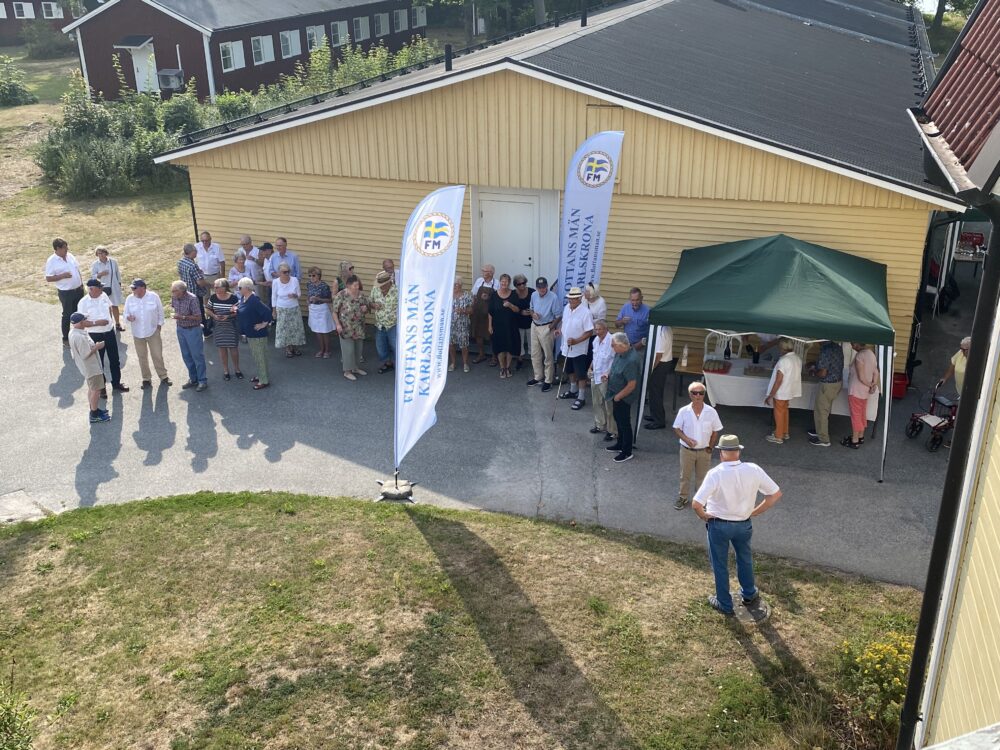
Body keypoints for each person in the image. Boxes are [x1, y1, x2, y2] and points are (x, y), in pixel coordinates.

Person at [692, 434, 782, 616]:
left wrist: (704, 516)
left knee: (720, 564)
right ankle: (749, 593)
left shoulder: (715, 473)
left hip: (719, 525)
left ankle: (724, 603)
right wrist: (754, 511)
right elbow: (775, 494)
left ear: (721, 453)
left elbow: (696, 504)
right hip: (743, 524)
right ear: (738, 452)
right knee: (745, 558)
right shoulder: (753, 469)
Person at [672, 381, 723, 509]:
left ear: (704, 394)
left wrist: (710, 447)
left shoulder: (711, 412)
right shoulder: (684, 411)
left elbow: (716, 431)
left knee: (703, 477)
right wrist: (686, 439)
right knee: (685, 476)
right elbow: (677, 428)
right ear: (690, 394)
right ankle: (683, 497)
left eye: (701, 393)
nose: (698, 396)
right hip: (686, 450)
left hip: (704, 451)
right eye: (695, 393)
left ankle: (700, 500)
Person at [77, 278, 128, 396]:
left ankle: (116, 384)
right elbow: (82, 323)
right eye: (100, 287)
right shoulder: (83, 303)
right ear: (91, 289)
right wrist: (97, 323)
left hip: (109, 332)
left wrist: (110, 322)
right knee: (99, 363)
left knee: (115, 359)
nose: (102, 289)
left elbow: (110, 307)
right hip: (95, 335)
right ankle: (102, 388)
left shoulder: (103, 295)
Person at [123, 279, 171, 389]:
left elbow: (160, 312)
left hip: (153, 331)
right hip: (137, 333)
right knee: (142, 357)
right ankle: (146, 379)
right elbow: (125, 314)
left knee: (157, 355)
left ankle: (163, 376)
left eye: (134, 288)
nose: (133, 290)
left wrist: (159, 325)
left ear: (143, 288)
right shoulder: (130, 298)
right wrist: (128, 317)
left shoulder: (153, 296)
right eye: (132, 288)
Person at [605, 332, 641, 463]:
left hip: (623, 396)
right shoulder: (619, 353)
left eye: (613, 345)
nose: (611, 347)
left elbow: (632, 385)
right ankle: (620, 444)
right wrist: (607, 374)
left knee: (624, 422)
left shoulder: (631, 360)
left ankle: (627, 451)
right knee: (618, 419)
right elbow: (614, 367)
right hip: (615, 393)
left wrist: (618, 397)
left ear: (622, 345)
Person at [68, 312, 110, 423]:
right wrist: (97, 346)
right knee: (96, 390)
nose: (87, 321)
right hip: (91, 368)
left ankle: (93, 409)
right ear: (81, 322)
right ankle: (94, 415)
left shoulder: (73, 332)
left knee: (92, 389)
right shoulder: (79, 337)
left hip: (87, 368)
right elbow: (85, 354)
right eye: (85, 320)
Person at [556, 287, 594, 408]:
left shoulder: (586, 312)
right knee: (569, 370)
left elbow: (589, 332)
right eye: (570, 298)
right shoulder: (567, 308)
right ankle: (573, 391)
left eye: (574, 298)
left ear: (579, 299)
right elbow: (565, 322)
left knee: (580, 373)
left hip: (579, 349)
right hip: (566, 346)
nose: (571, 300)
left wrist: (576, 341)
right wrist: (560, 330)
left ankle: (581, 397)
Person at [44, 237, 84, 347]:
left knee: (79, 313)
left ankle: (80, 335)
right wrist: (63, 276)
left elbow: (77, 270)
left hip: (78, 290)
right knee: (67, 315)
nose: (67, 250)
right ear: (57, 248)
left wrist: (81, 284)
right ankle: (66, 339)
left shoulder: (70, 256)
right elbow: (48, 278)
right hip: (66, 293)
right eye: (65, 248)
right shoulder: (51, 261)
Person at [235, 277, 272, 390]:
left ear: (246, 288)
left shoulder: (254, 300)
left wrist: (263, 324)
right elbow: (243, 310)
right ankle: (261, 375)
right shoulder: (244, 298)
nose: (238, 289)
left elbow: (267, 312)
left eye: (240, 288)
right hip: (250, 333)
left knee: (260, 357)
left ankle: (264, 380)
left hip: (257, 335)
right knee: (256, 356)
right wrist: (236, 309)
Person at [170, 280, 208, 391]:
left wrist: (182, 317)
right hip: (180, 329)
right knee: (186, 356)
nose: (172, 293)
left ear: (182, 290)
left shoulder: (192, 299)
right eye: (172, 291)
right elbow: (174, 307)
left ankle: (202, 381)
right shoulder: (174, 297)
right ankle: (193, 379)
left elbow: (198, 317)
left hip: (193, 330)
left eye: (174, 291)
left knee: (197, 356)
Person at [764, 338, 802, 445]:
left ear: (781, 348)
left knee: (779, 413)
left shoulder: (783, 361)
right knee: (785, 410)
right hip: (790, 390)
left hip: (782, 391)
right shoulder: (797, 358)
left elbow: (778, 380)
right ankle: (785, 432)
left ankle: (778, 436)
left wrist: (770, 395)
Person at [332, 275, 370, 381]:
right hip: (346, 327)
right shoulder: (341, 295)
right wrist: (338, 325)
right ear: (348, 285)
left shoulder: (361, 295)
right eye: (355, 285)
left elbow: (366, 308)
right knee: (348, 350)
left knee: (358, 349)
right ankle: (347, 371)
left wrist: (365, 309)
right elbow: (334, 312)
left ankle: (355, 368)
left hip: (359, 327)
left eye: (358, 285)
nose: (357, 287)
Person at [807, 340, 844, 447]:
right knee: (824, 410)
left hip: (827, 384)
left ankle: (823, 439)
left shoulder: (825, 350)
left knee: (821, 411)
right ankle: (820, 430)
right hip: (837, 382)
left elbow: (823, 373)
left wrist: (813, 372)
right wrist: (815, 364)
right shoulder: (837, 347)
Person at [527, 276, 560, 392]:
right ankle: (538, 377)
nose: (542, 289)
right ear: (537, 287)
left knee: (548, 355)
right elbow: (530, 309)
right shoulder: (534, 295)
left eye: (544, 287)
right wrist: (533, 314)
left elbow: (558, 316)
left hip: (546, 327)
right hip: (534, 325)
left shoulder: (553, 297)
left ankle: (548, 380)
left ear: (547, 286)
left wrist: (551, 327)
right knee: (535, 353)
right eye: (540, 287)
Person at [844, 343, 879, 449]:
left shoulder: (860, 356)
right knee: (862, 414)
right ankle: (860, 436)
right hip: (865, 391)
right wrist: (873, 384)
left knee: (856, 416)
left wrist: (870, 385)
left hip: (856, 390)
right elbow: (876, 372)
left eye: (853, 344)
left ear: (858, 343)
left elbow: (861, 377)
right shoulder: (871, 354)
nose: (852, 346)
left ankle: (854, 441)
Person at [206, 279, 242, 380]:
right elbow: (207, 309)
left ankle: (237, 369)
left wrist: (228, 316)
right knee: (222, 349)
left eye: (217, 287)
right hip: (218, 326)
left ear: (224, 288)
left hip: (231, 326)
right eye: (214, 286)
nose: (214, 288)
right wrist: (214, 316)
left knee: (233, 348)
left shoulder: (233, 298)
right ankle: (226, 371)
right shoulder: (213, 297)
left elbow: (237, 312)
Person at [488, 273, 521, 379]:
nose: (504, 283)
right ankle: (502, 368)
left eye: (506, 281)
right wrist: (490, 326)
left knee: (510, 347)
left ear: (509, 283)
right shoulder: (494, 295)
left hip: (511, 325)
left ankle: (508, 367)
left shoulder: (514, 294)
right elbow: (490, 312)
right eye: (502, 281)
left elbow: (517, 310)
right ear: (500, 282)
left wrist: (510, 305)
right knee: (500, 347)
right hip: (498, 326)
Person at [589, 319, 618, 442]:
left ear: (606, 329)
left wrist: (608, 374)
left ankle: (612, 431)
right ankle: (600, 424)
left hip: (606, 378)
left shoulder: (612, 342)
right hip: (595, 376)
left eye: (599, 329)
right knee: (596, 402)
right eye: (596, 329)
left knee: (609, 405)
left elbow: (616, 361)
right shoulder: (595, 340)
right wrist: (590, 367)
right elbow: (595, 357)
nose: (597, 331)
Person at [644, 325, 675, 430]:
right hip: (664, 362)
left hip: (660, 363)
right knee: (654, 392)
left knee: (656, 392)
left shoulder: (662, 331)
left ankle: (659, 421)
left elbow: (658, 355)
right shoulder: (666, 327)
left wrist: (650, 369)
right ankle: (655, 415)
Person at [178, 242, 212, 335]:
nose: (196, 253)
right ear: (191, 252)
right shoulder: (192, 265)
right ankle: (205, 331)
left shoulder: (180, 262)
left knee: (190, 311)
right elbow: (200, 282)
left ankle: (191, 327)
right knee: (199, 311)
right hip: (195, 293)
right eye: (195, 251)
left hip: (185, 292)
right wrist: (209, 285)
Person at [272, 263, 305, 357]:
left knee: (295, 328)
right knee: (284, 329)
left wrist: (295, 295)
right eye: (284, 272)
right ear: (279, 273)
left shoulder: (294, 280)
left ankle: (295, 346)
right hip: (282, 308)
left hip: (294, 308)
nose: (287, 274)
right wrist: (274, 310)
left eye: (288, 272)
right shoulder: (276, 282)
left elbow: (299, 294)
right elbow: (273, 297)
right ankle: (288, 348)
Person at [90, 245, 124, 331]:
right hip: (102, 288)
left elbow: (117, 273)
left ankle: (117, 324)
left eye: (102, 253)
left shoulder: (113, 262)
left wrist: (119, 284)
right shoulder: (95, 264)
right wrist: (100, 274)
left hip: (114, 286)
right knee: (106, 307)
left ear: (106, 253)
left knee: (115, 306)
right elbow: (93, 276)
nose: (100, 255)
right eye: (98, 253)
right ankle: (109, 325)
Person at [370, 270, 398, 373]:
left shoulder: (397, 291)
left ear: (389, 282)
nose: (380, 287)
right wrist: (373, 305)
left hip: (393, 324)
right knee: (381, 347)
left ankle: (398, 365)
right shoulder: (375, 289)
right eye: (380, 285)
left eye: (383, 285)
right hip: (379, 324)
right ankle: (387, 363)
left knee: (395, 346)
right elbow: (370, 302)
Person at [471, 264, 499, 364]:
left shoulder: (497, 283)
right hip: (478, 312)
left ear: (491, 273)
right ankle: (481, 354)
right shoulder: (479, 281)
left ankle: (494, 356)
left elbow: (499, 298)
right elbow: (473, 295)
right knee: (478, 334)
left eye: (485, 271)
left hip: (490, 313)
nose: (482, 273)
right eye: (482, 270)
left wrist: (489, 297)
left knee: (492, 335)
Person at [306, 267, 335, 359]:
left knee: (324, 331)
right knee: (317, 330)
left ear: (319, 276)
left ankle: (327, 350)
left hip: (322, 309)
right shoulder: (309, 284)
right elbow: (308, 295)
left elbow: (330, 299)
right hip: (313, 309)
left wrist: (318, 299)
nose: (311, 277)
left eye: (313, 275)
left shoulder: (324, 286)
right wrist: (308, 301)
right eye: (310, 275)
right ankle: (321, 349)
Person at [450, 277, 473, 373]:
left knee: (464, 345)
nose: (455, 286)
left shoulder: (467, 295)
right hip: (450, 325)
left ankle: (465, 363)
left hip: (462, 324)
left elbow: (471, 310)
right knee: (451, 344)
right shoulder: (448, 295)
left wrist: (463, 310)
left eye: (457, 284)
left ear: (461, 285)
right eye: (454, 284)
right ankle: (453, 363)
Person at [512, 274, 533, 371]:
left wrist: (531, 311)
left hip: (531, 322)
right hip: (518, 322)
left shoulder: (532, 292)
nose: (522, 285)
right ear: (515, 285)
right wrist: (521, 312)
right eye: (519, 284)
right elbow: (511, 308)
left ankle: (534, 361)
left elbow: (539, 304)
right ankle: (519, 360)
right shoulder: (513, 294)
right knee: (518, 342)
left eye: (523, 283)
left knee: (532, 343)